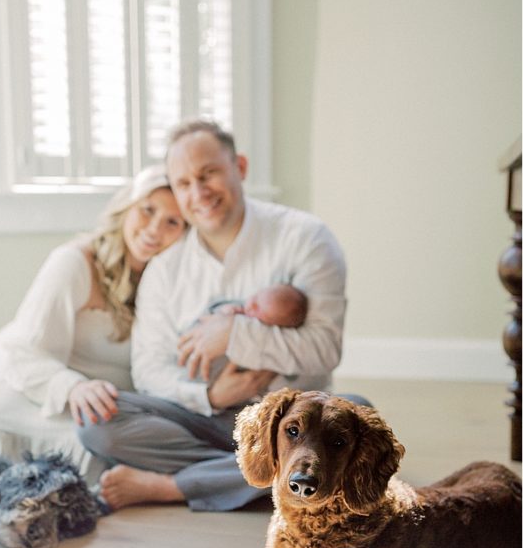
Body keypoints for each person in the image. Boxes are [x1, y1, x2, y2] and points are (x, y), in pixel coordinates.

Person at [78, 119, 361, 511]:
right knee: (99, 426)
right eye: (184, 183)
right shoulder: (166, 267)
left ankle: (173, 486)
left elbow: (324, 349)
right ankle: (269, 476)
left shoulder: (306, 238)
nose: (199, 193)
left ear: (239, 168)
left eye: (208, 174)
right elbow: (147, 369)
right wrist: (210, 395)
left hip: (291, 422)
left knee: (357, 414)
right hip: (202, 418)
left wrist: (234, 332)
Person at [0, 165, 187, 483]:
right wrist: (72, 386)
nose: (154, 229)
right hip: (17, 384)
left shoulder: (166, 280)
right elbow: (24, 350)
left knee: (137, 438)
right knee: (99, 451)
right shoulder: (74, 262)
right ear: (126, 208)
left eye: (172, 222)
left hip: (95, 401)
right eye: (147, 211)